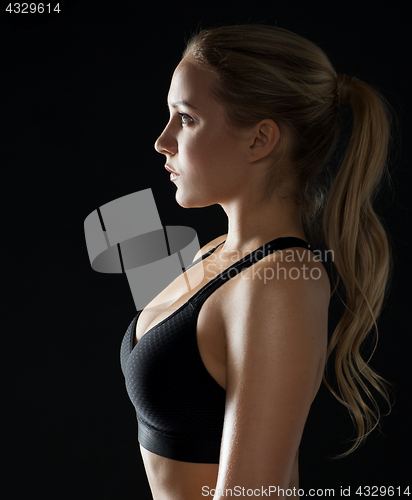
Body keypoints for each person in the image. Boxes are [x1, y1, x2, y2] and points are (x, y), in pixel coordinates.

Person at [120, 24, 393, 499]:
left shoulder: (279, 283)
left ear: (259, 139)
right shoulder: (219, 255)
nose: (163, 141)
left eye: (185, 118)